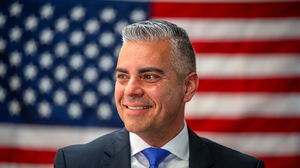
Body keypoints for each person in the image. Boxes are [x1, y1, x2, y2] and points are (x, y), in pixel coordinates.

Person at [54, 20, 265, 168]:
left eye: (149, 77)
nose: (130, 90)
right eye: (123, 76)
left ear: (188, 87)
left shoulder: (243, 166)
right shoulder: (73, 162)